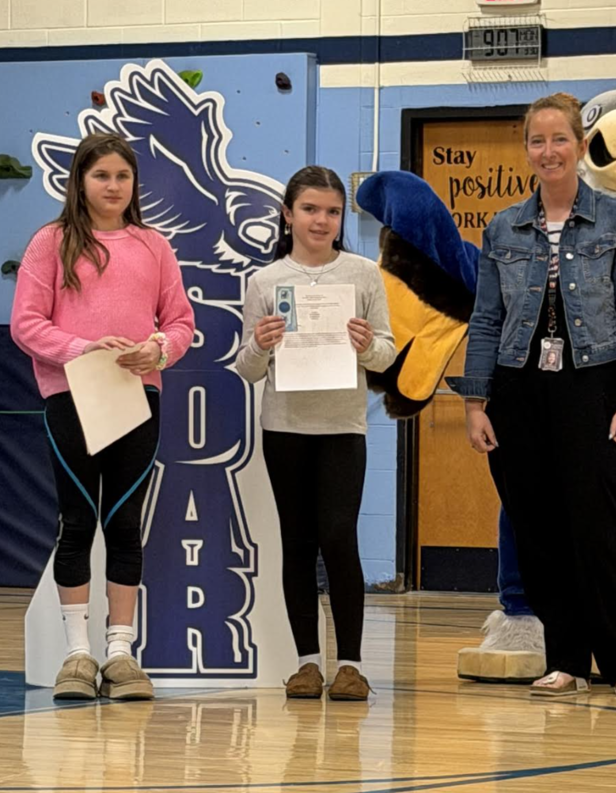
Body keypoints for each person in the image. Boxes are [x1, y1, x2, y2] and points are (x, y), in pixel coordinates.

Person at [447, 93, 616, 699]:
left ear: (579, 146)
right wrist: (476, 403)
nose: (549, 151)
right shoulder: (502, 226)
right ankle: (564, 659)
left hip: (594, 386)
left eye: (559, 140)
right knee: (539, 529)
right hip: (520, 390)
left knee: (604, 525)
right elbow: (487, 320)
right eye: (537, 141)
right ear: (527, 151)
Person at [11, 133, 195, 700]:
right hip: (72, 397)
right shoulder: (52, 243)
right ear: (79, 182)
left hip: (137, 398)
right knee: (77, 520)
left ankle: (120, 654)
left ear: (134, 184)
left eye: (122, 176)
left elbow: (181, 322)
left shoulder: (153, 246)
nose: (113, 186)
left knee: (123, 523)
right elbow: (26, 324)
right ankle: (77, 654)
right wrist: (82, 349)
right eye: (101, 176)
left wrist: (157, 350)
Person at [236, 166, 396, 701]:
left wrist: (365, 344)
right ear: (287, 214)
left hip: (342, 428)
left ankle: (349, 664)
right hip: (284, 428)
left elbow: (387, 353)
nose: (321, 220)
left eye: (331, 211)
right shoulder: (264, 282)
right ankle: (306, 663)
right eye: (309, 209)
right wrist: (260, 343)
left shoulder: (362, 274)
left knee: (338, 537)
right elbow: (248, 368)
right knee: (298, 544)